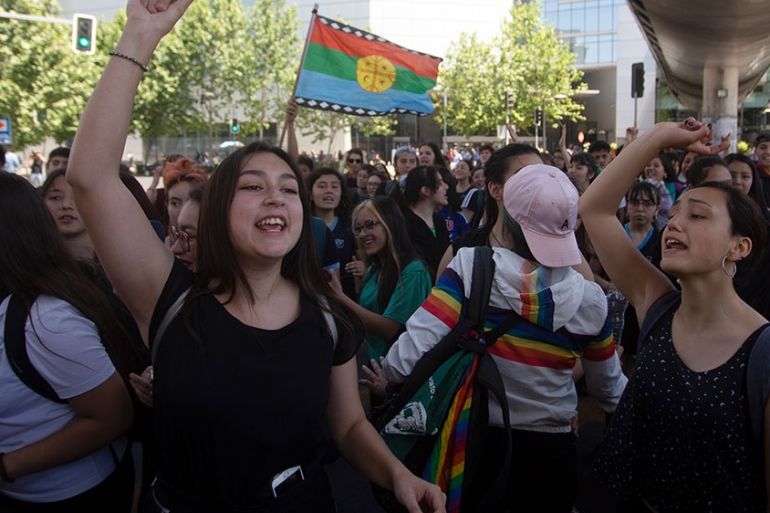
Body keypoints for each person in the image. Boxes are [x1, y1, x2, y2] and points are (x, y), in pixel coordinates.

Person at [65, 3, 445, 512]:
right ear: (219, 212)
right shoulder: (168, 298)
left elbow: (350, 425)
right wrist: (140, 34)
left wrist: (398, 476)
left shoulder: (329, 318)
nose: (275, 198)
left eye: (289, 189)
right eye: (252, 186)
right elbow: (90, 176)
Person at [367, 164, 627, 512]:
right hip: (552, 454)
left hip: (474, 443)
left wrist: (387, 373)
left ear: (508, 214)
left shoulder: (470, 267)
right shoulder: (591, 300)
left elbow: (409, 355)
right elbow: (608, 389)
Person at [581, 119, 769, 511]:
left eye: (697, 216)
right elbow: (595, 209)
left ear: (739, 247)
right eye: (676, 213)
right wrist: (658, 137)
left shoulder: (763, 353)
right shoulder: (658, 305)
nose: (674, 224)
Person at [0, 172, 139, 512]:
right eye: (55, 197)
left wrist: (8, 466)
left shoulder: (48, 321)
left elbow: (113, 417)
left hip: (72, 496)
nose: (66, 206)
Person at [331, 197, 432, 361]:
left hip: (397, 366)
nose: (363, 234)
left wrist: (339, 297)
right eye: (358, 229)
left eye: (370, 225)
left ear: (390, 223)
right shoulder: (374, 268)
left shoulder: (413, 271)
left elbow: (388, 329)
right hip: (371, 360)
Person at [308, 167, 357, 299]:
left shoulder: (351, 227)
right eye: (322, 186)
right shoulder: (301, 227)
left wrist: (363, 267)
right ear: (310, 194)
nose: (329, 191)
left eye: (334, 186)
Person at [398, 166, 450, 278]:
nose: (446, 187)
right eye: (440, 183)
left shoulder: (440, 222)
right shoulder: (403, 223)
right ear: (426, 190)